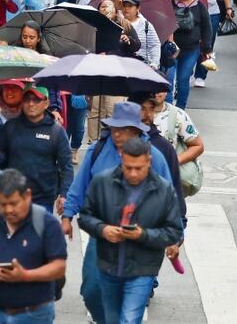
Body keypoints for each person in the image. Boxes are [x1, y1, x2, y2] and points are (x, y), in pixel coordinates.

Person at [62, 101, 172, 323]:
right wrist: (67, 215)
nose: (119, 135)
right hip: (104, 233)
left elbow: (170, 197)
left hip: (142, 237)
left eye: (125, 130)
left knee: (131, 303)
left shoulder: (154, 156)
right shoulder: (98, 150)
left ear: (136, 131)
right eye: (115, 129)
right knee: (92, 290)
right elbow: (80, 185)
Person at [78, 137, 184, 324]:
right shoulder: (102, 183)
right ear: (121, 158)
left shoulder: (164, 190)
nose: (133, 174)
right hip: (108, 266)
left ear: (149, 162)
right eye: (128, 168)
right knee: (109, 318)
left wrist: (142, 235)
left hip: (142, 269)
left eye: (139, 168)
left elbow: (173, 231)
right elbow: (85, 217)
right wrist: (103, 229)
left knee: (129, 319)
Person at [0, 169, 68, 324]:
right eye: (2, 204)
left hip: (34, 315)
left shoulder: (47, 223)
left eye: (13, 203)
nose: (8, 210)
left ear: (27, 196)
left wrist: (26, 275)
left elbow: (59, 267)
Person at [0, 84, 72, 215]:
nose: (31, 103)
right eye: (27, 99)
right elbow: (3, 162)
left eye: (36, 100)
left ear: (46, 103)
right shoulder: (10, 127)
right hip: (14, 196)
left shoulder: (56, 131)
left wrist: (64, 195)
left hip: (44, 200)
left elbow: (67, 167)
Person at [169, 0, 212, 109]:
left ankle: (180, 109)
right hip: (172, 49)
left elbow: (207, 27)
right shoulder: (170, 4)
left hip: (191, 49)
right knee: (169, 78)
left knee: (183, 79)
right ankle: (167, 107)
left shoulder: (199, 6)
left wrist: (207, 47)